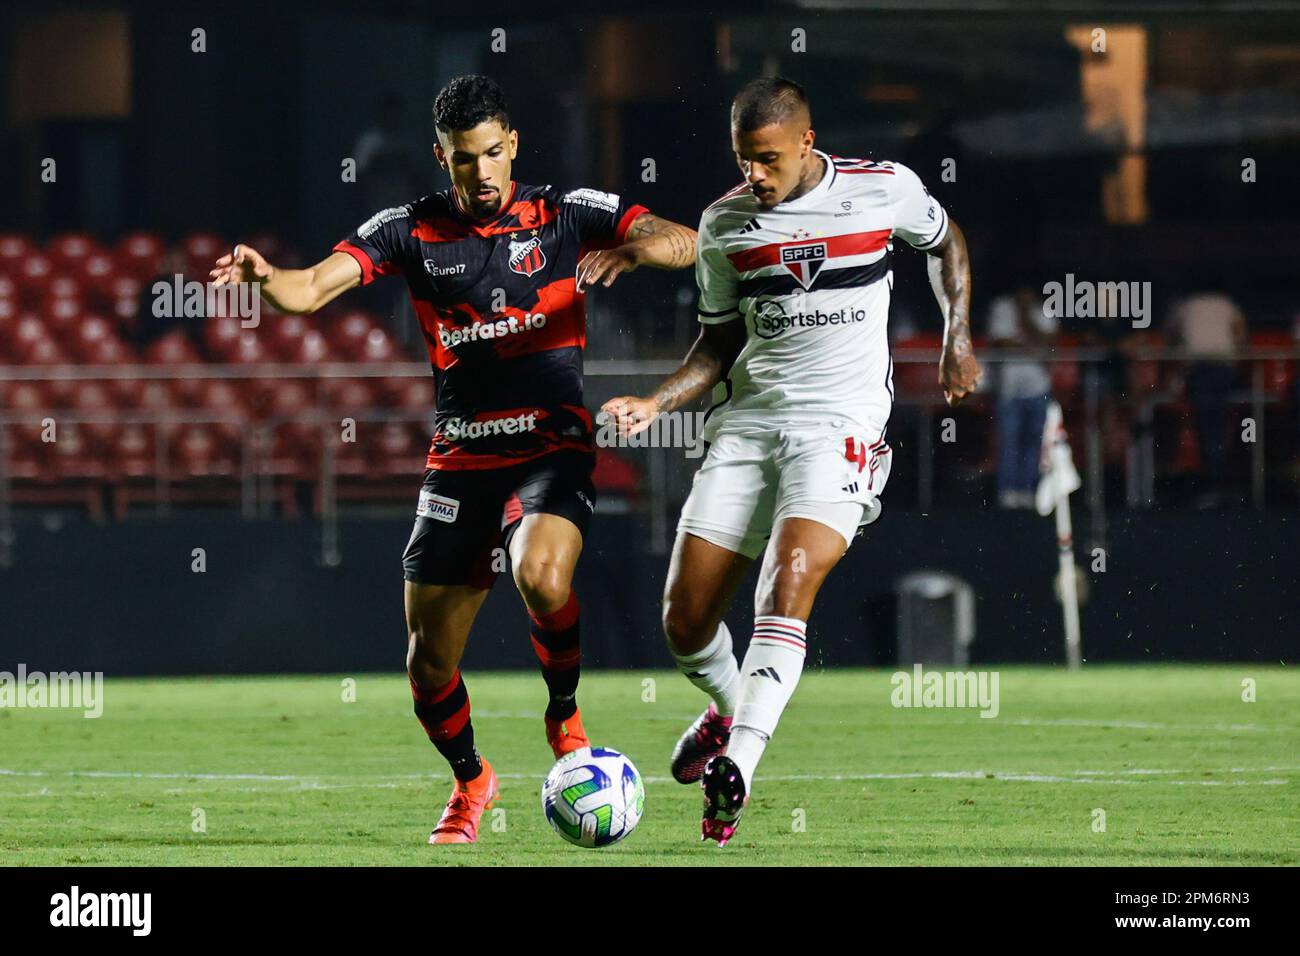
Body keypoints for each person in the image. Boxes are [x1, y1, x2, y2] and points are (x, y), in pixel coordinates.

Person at [210, 74, 697, 843]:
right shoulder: (409, 229)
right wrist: (267, 280)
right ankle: (473, 781)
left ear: (513, 147)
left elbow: (686, 240)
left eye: (493, 154)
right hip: (462, 456)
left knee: (541, 572)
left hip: (551, 442)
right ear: (443, 158)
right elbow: (308, 291)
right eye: (464, 159)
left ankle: (565, 720)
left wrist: (638, 247)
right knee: (427, 663)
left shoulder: (568, 213)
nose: (481, 173)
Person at [601, 76, 981, 844]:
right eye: (744, 160)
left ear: (807, 142)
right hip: (747, 426)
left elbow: (946, 243)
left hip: (839, 426)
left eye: (768, 160)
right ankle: (725, 707)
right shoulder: (724, 224)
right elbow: (715, 344)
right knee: (683, 621)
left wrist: (956, 336)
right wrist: (656, 402)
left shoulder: (884, 191)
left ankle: (738, 763)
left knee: (790, 575)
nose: (755, 176)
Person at [1168, 288, 1246, 508]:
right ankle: (1214, 484)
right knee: (1212, 426)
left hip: (1211, 369)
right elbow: (1240, 332)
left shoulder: (1191, 305)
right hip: (1210, 368)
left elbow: (1172, 336)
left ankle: (1216, 485)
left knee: (1212, 426)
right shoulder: (1220, 303)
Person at [987, 285, 1057, 508]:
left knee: (1034, 442)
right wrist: (1030, 345)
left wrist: (1026, 319)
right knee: (1009, 441)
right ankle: (1008, 492)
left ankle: (1028, 490)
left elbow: (1049, 342)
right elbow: (999, 342)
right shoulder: (1002, 308)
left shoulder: (1045, 310)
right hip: (1009, 388)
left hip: (1038, 387)